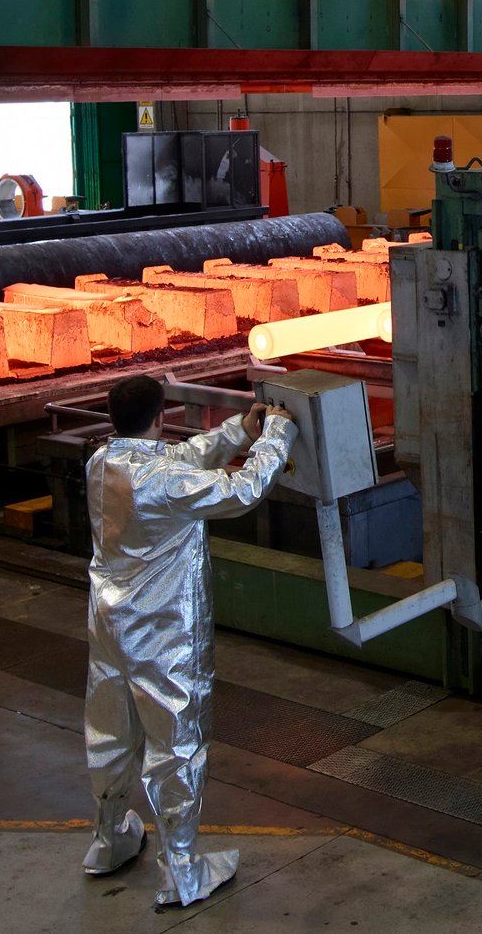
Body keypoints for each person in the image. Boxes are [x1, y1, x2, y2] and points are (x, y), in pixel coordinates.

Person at [80, 374, 296, 908]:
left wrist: (236, 432)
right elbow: (241, 491)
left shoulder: (101, 463)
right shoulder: (161, 481)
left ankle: (108, 842)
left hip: (109, 628)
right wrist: (276, 437)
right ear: (160, 417)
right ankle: (182, 872)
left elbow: (176, 462)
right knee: (176, 745)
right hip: (164, 637)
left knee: (110, 732)